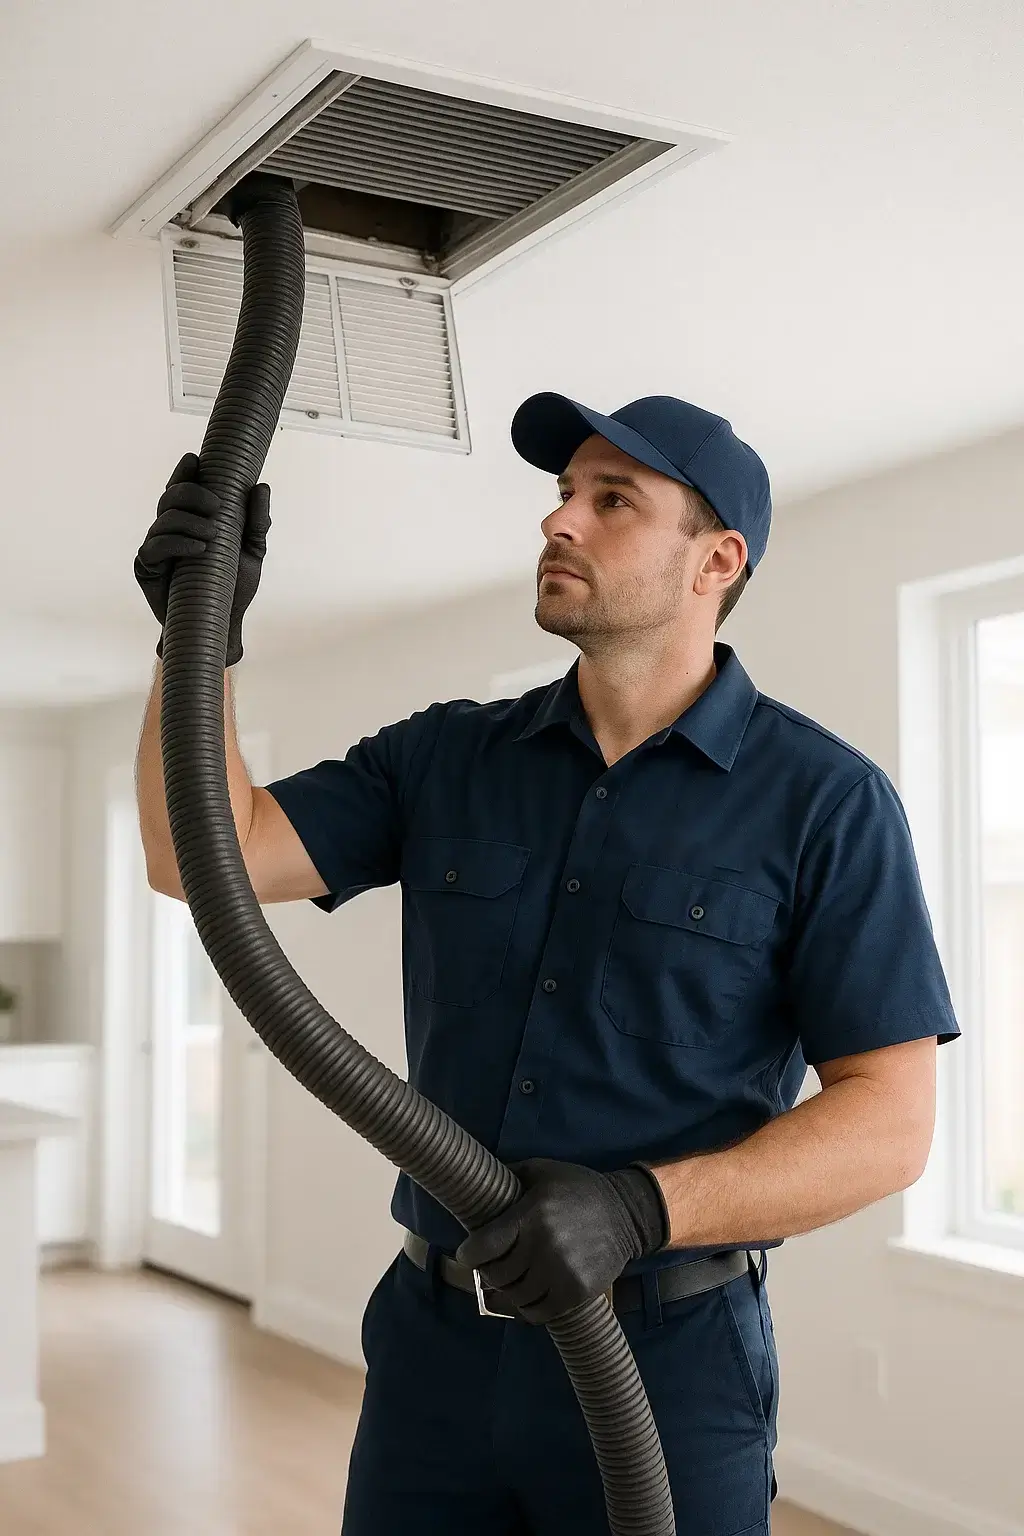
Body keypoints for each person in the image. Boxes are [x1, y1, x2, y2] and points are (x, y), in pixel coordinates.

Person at [135, 392, 959, 1536]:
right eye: (561, 494)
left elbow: (890, 1124)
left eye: (611, 499)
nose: (558, 522)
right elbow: (197, 856)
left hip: (667, 1363)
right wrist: (195, 638)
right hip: (436, 1346)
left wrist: (639, 1209)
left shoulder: (824, 802)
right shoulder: (448, 757)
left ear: (715, 560)